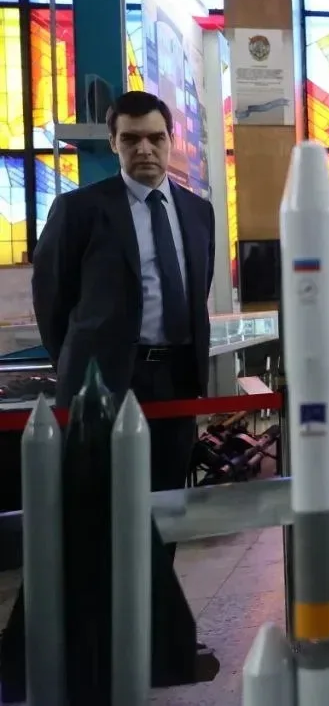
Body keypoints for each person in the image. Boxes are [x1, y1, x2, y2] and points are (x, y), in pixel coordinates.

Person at [32, 90, 215, 524]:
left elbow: (198, 287)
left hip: (175, 378)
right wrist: (79, 364)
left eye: (155, 137)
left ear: (171, 139)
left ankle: (159, 572)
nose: (145, 149)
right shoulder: (79, 210)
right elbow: (52, 299)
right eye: (131, 139)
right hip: (103, 379)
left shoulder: (198, 211)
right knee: (100, 507)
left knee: (167, 505)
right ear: (114, 142)